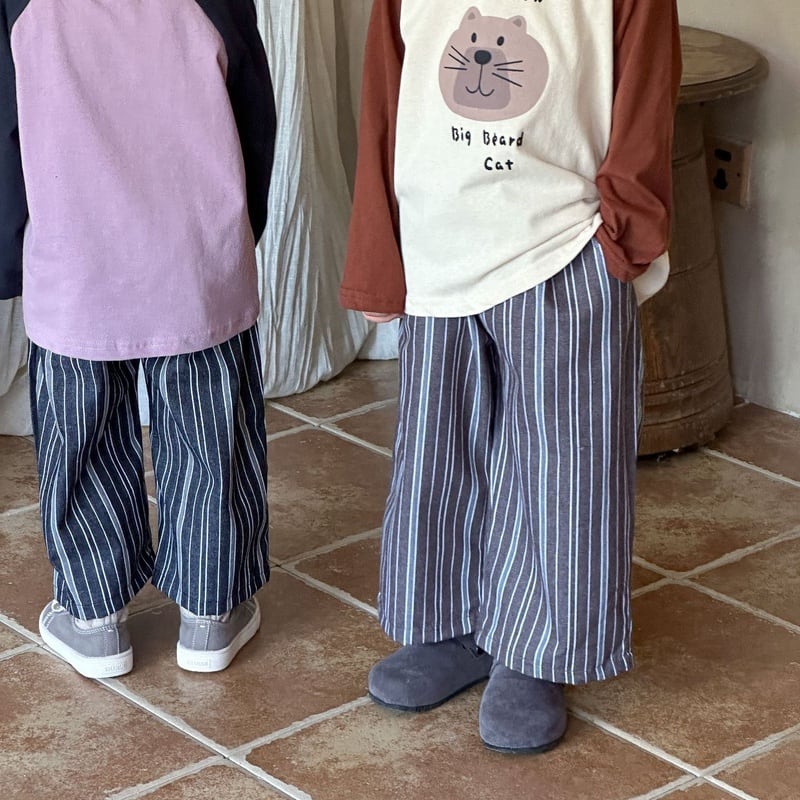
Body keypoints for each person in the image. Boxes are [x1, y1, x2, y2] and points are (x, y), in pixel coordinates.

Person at [340, 0, 681, 752]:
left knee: (565, 465)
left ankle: (536, 647)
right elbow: (385, 97)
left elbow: (647, 94)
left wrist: (623, 238)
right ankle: (451, 623)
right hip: (436, 245)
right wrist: (376, 252)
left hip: (563, 242)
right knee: (438, 452)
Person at [0, 0, 276, 678]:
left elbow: (5, 127)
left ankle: (94, 620)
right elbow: (253, 112)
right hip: (196, 261)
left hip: (75, 262)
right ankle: (211, 614)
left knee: (82, 438)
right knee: (211, 437)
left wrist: (12, 255)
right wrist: (242, 229)